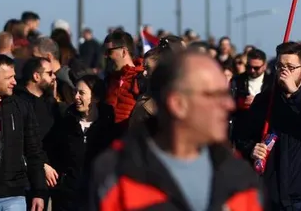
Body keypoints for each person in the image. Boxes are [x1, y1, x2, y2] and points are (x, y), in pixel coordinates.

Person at [88, 50, 262, 210]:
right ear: (178, 104)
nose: (229, 104)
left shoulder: (238, 175)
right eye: (214, 95)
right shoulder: (116, 176)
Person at [239, 41, 301, 211]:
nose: (284, 72)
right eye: (280, 67)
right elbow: (241, 136)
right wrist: (252, 148)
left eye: (291, 67)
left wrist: (296, 94)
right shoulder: (265, 100)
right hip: (274, 195)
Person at [0, 53, 47, 211]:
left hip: (13, 197)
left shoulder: (21, 108)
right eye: (9, 78)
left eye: (14, 76)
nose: (14, 81)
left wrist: (39, 192)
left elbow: (34, 151)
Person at [48, 75, 114, 211]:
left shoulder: (108, 127)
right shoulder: (66, 122)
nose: (76, 97)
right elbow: (50, 149)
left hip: (96, 197)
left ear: (95, 98)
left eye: (81, 93)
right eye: (75, 92)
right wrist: (46, 166)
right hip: (67, 198)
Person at [104, 30, 143, 127]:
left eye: (109, 52)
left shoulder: (141, 78)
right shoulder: (109, 79)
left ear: (124, 52)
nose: (106, 56)